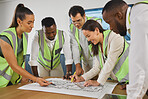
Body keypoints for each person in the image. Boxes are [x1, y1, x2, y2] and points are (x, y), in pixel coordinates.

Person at [102, 0, 148, 98]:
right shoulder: (137, 15)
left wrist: (133, 94)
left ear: (119, 15)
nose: (110, 28)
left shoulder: (139, 17)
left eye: (109, 22)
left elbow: (140, 65)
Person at [0, 4, 50, 88]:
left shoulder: (25, 35)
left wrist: (24, 76)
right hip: (2, 81)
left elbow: (21, 60)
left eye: (33, 22)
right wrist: (36, 79)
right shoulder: (5, 38)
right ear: (19, 22)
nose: (32, 26)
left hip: (13, 81)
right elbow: (14, 66)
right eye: (29, 23)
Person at [71, 20, 129, 89]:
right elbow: (96, 68)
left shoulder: (115, 37)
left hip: (131, 78)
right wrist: (81, 78)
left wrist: (98, 82)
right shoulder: (97, 45)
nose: (88, 40)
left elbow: (110, 62)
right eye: (86, 37)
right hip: (120, 81)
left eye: (88, 36)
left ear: (97, 30)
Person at [64, 5, 102, 79]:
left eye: (78, 20)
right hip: (85, 61)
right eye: (74, 21)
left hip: (97, 59)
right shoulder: (72, 28)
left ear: (84, 16)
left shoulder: (95, 23)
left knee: (99, 81)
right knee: (86, 84)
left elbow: (98, 45)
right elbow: (75, 46)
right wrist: (77, 65)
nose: (76, 24)